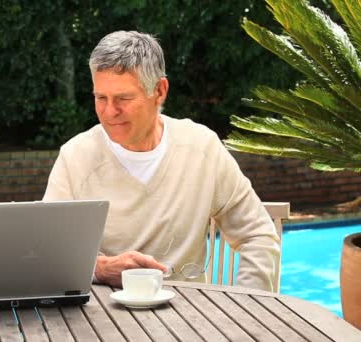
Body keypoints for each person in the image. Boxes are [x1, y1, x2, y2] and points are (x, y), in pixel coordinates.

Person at [43, 31, 280, 291]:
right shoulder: (75, 156)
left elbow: (258, 236)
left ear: (159, 91)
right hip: (102, 321)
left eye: (123, 98)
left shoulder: (201, 148)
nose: (110, 111)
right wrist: (99, 269)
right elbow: (47, 253)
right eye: (101, 98)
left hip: (192, 320)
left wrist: (245, 304)